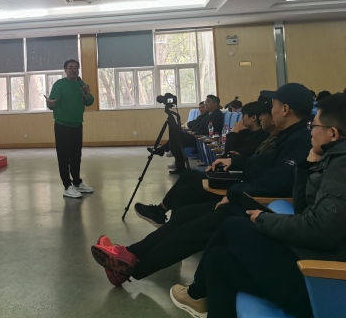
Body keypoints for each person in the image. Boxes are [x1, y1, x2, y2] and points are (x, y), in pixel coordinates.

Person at [90, 83, 313, 287]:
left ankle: (130, 267)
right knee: (185, 214)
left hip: (262, 210)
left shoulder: (299, 140)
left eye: (273, 105)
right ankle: (129, 253)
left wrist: (234, 193)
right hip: (251, 200)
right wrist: (235, 162)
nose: (271, 111)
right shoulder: (290, 136)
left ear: (285, 109)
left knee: (191, 230)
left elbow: (277, 181)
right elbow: (263, 163)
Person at [169, 93, 346, 318]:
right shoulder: (331, 159)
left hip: (324, 282)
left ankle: (195, 294)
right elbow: (303, 209)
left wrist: (264, 220)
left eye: (315, 126)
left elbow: (320, 229)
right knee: (218, 260)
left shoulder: (341, 166)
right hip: (315, 260)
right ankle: (196, 296)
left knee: (233, 226)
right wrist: (308, 163)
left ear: (333, 134)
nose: (310, 130)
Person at [134, 101, 273, 227]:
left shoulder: (260, 137)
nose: (241, 120)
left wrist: (234, 133)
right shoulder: (246, 133)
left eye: (243, 116)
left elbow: (235, 153)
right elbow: (229, 152)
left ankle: (160, 211)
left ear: (253, 118)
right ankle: (170, 226)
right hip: (226, 171)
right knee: (182, 191)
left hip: (233, 179)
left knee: (188, 175)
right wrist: (233, 148)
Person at [46, 59, 95, 198]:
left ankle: (77, 183)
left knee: (76, 156)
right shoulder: (59, 84)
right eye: (71, 67)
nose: (74, 70)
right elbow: (52, 105)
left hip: (77, 125)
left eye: (76, 67)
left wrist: (86, 95)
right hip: (62, 126)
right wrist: (50, 103)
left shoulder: (81, 84)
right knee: (63, 157)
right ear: (65, 70)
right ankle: (67, 186)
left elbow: (90, 102)